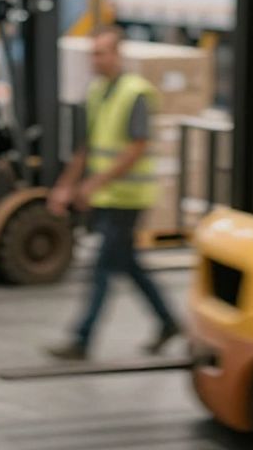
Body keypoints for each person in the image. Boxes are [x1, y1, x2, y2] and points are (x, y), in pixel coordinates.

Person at [45, 27, 180, 361]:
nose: (95, 59)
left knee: (103, 268)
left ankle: (81, 338)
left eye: (101, 52)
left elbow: (136, 148)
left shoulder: (136, 93)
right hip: (108, 196)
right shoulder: (98, 91)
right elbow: (87, 146)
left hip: (129, 197)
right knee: (128, 264)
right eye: (92, 53)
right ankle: (169, 322)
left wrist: (94, 183)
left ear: (118, 55)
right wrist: (66, 184)